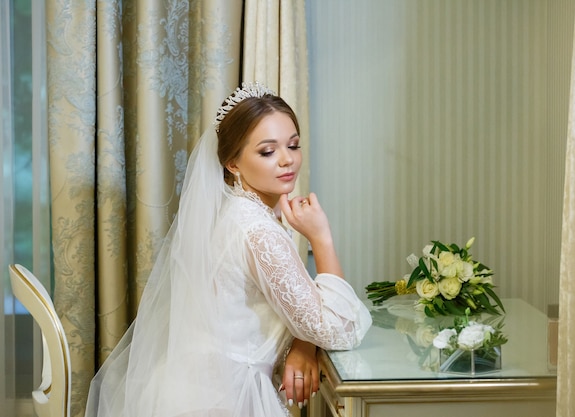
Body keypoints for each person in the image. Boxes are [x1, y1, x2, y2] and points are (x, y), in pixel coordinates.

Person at [85, 82, 372, 417]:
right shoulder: (258, 230)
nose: (287, 160)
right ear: (233, 163)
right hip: (224, 397)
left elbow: (294, 309)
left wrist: (303, 342)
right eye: (267, 151)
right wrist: (321, 237)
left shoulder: (232, 211)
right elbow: (339, 328)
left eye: (293, 145)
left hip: (190, 382)